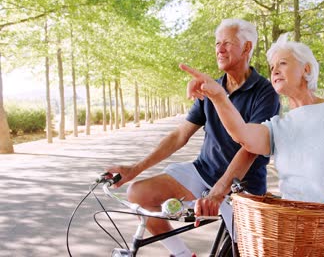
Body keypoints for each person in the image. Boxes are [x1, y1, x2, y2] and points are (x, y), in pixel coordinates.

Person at [180, 35, 324, 256]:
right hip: (299, 238)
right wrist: (218, 96)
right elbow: (242, 134)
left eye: (283, 63)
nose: (274, 70)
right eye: (272, 66)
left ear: (306, 69)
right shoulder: (277, 127)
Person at [107, 18, 280, 257]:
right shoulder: (210, 88)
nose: (219, 49)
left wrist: (219, 192)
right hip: (203, 171)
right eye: (217, 43)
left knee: (249, 251)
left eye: (227, 43)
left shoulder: (265, 92)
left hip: (243, 185)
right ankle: (183, 255)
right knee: (138, 194)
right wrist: (134, 169)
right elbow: (180, 135)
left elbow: (250, 148)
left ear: (247, 48)